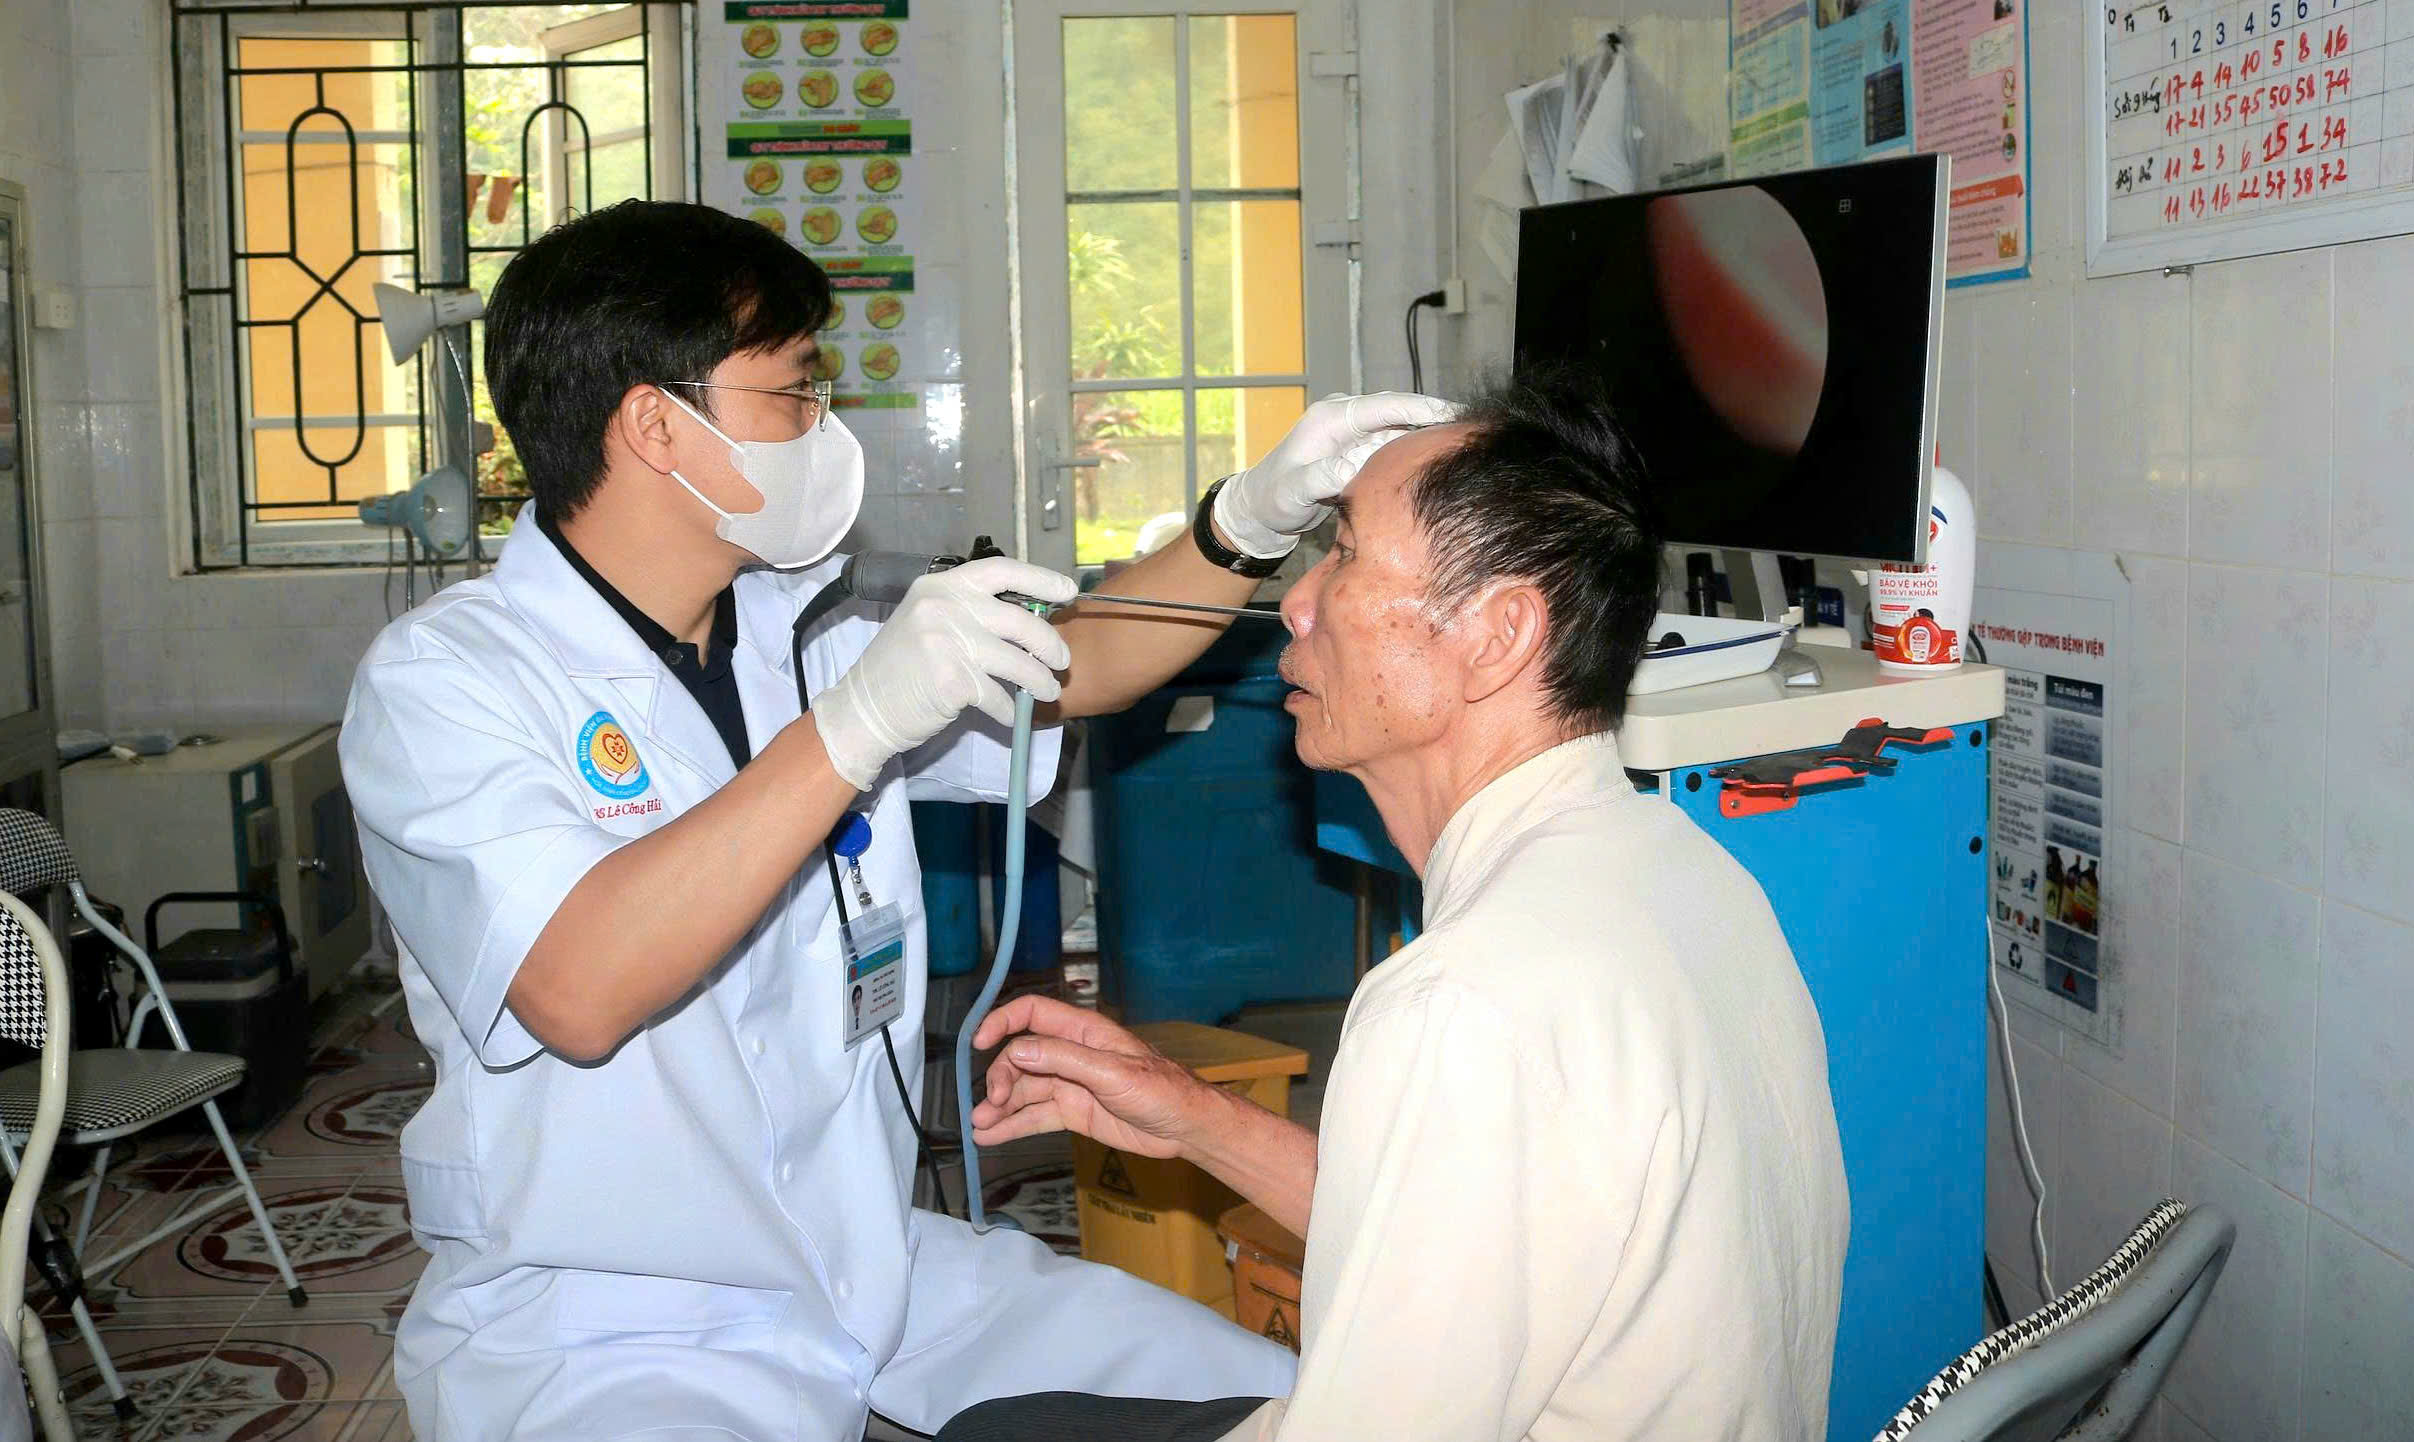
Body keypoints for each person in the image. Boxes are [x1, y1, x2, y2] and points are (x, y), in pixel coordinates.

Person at [339, 199, 1450, 1441]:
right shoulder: (447, 681)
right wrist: (856, 725)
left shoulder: (800, 624)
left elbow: (1076, 664)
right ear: (656, 424)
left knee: (1297, 1407)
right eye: (793, 393)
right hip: (610, 1320)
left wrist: (1242, 521)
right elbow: (575, 984)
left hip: (876, 1263)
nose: (823, 428)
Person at [945, 373, 1849, 1442]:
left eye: (1343, 554)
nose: (1295, 601)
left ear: (1497, 636)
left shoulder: (1464, 1002)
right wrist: (1188, 1114)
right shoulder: (1687, 872)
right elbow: (1470, 1233)